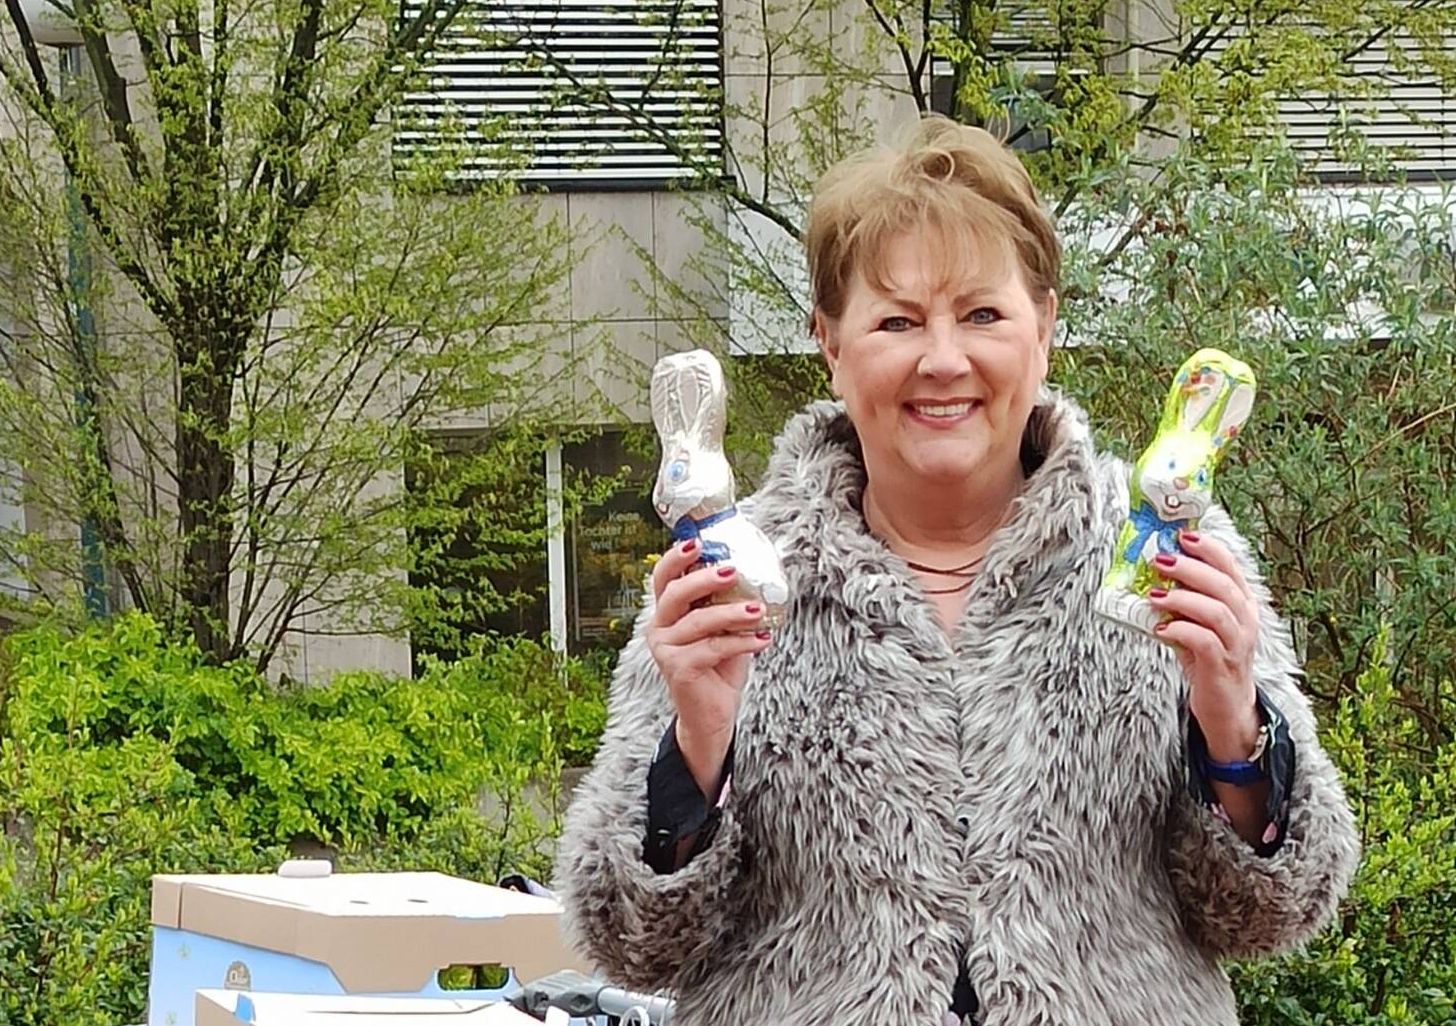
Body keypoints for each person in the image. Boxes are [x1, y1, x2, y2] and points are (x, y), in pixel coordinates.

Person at [553, 116, 1359, 1026]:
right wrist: (699, 741)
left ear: (1043, 327)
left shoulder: (1165, 556)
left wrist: (1229, 720)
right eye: (897, 320)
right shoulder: (730, 576)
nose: (942, 359)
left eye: (981, 313)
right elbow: (630, 942)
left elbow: (1275, 910)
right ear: (829, 342)